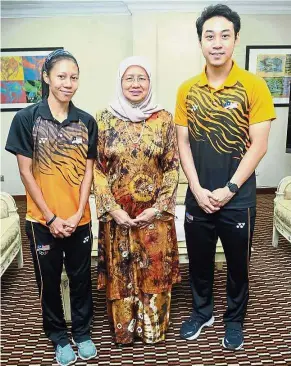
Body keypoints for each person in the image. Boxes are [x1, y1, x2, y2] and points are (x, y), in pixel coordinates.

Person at [175, 4, 276, 351]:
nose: (217, 43)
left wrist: (230, 189)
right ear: (200, 41)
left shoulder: (254, 85)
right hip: (198, 197)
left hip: (240, 199)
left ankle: (234, 320)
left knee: (238, 266)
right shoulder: (187, 89)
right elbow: (182, 144)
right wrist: (197, 189)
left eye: (225, 35)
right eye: (209, 36)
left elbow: (259, 145)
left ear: (235, 40)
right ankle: (202, 312)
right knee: (199, 264)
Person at [5, 49, 98, 366]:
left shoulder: (86, 121)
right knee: (48, 281)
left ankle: (83, 332)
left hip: (79, 219)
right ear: (46, 77)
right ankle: (59, 336)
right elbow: (25, 172)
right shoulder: (27, 119)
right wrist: (51, 216)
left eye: (74, 77)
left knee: (80, 278)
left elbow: (88, 172)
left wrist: (77, 212)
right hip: (41, 220)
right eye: (61, 76)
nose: (68, 83)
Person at [93, 56, 181, 346]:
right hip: (118, 218)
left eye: (141, 78)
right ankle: (125, 331)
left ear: (150, 82)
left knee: (153, 271)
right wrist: (112, 209)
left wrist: (158, 207)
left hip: (154, 216)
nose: (135, 84)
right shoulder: (103, 119)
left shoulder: (164, 119)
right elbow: (98, 169)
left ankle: (152, 329)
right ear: (120, 82)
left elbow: (171, 166)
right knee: (122, 273)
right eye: (128, 78)